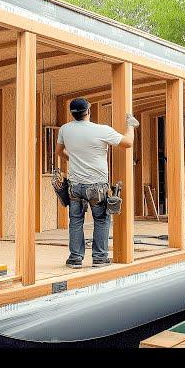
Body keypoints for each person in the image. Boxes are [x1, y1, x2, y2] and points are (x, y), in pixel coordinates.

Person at [55, 97, 137, 268]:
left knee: (76, 221)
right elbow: (128, 143)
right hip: (97, 186)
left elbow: (59, 152)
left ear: (73, 113)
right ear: (88, 111)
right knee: (101, 219)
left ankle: (75, 258)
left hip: (75, 186)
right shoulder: (101, 130)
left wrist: (76, 159)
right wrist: (130, 125)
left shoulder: (65, 129)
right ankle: (99, 258)